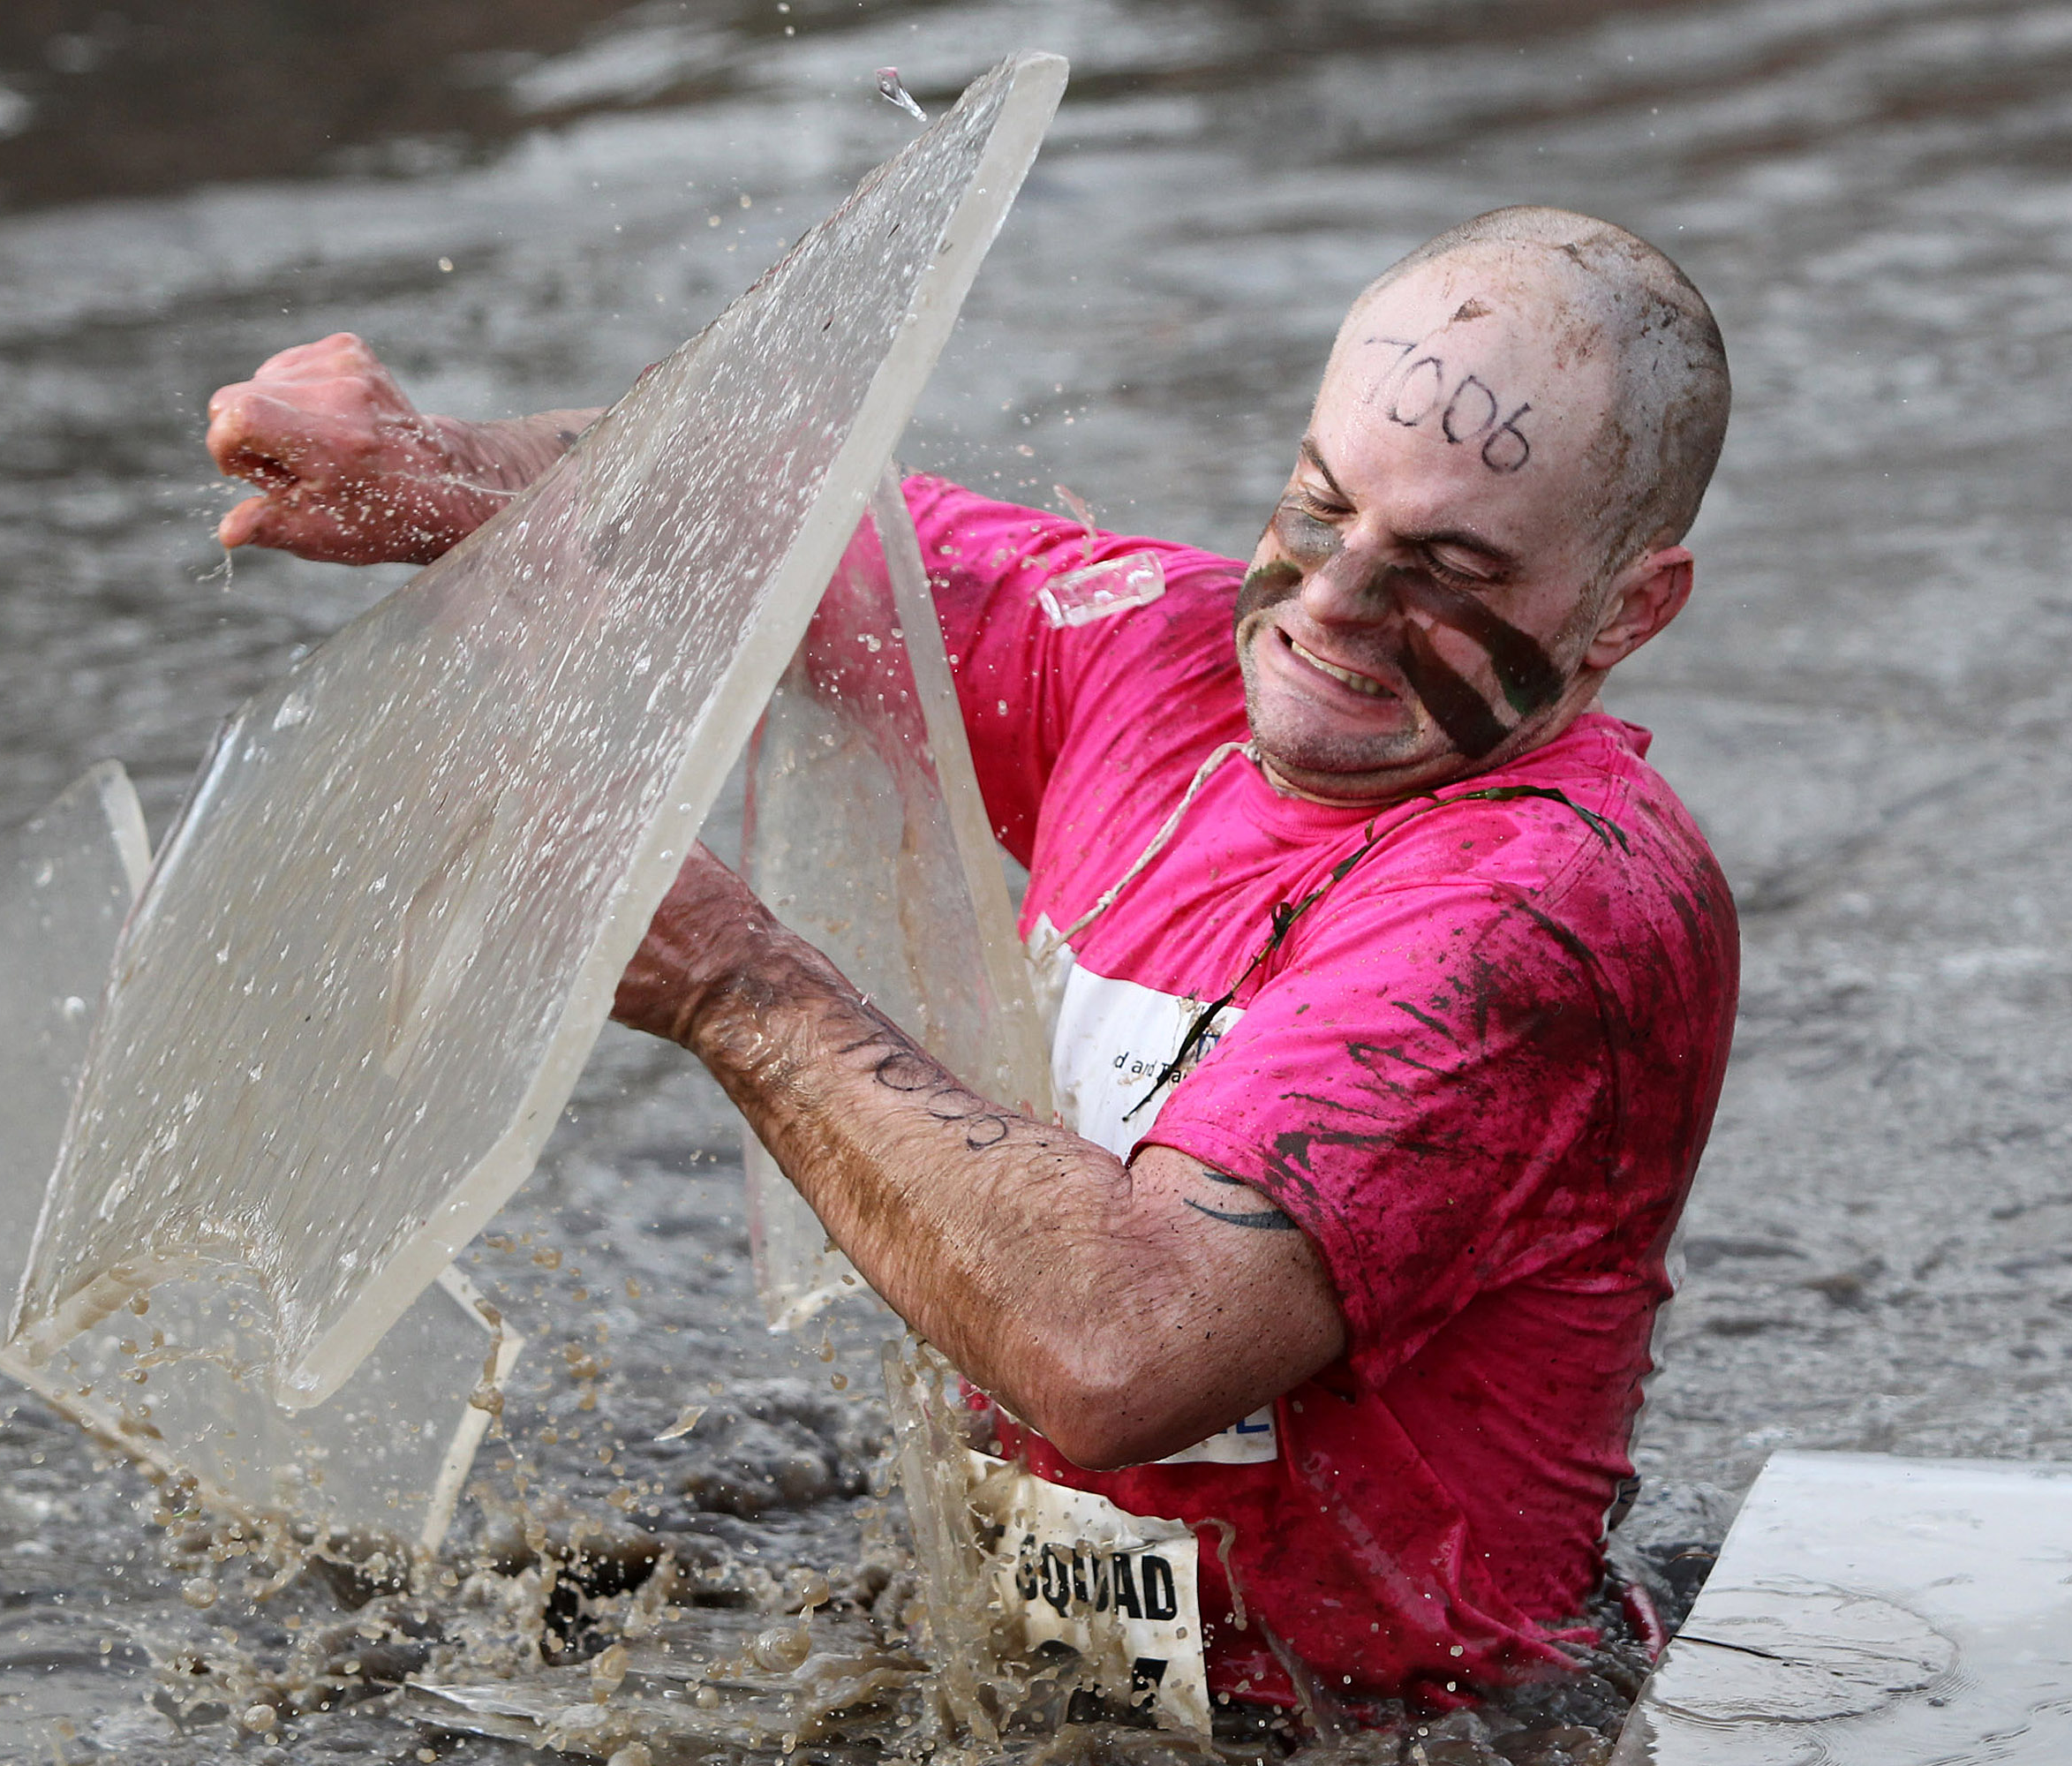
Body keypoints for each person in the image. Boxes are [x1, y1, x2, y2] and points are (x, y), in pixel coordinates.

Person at [204, 206, 1739, 1718]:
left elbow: (1125, 1350)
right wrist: (440, 470)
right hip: (1059, 1662)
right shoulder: (1152, 654)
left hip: (1403, 1726)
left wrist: (727, 978)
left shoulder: (1546, 911)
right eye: (1321, 506)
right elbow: (777, 517)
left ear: (1630, 605)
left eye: (1450, 570)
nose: (1331, 606)